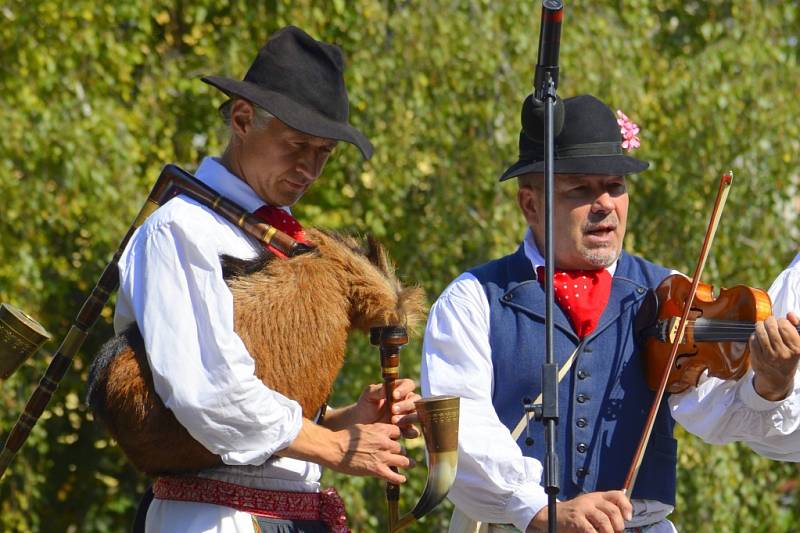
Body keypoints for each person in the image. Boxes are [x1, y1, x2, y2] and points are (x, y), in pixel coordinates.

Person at [421, 94, 800, 533]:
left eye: (615, 186)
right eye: (581, 189)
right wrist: (540, 510)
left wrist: (771, 384)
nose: (605, 203)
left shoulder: (671, 293)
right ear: (530, 204)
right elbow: (460, 430)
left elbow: (726, 418)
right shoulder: (474, 299)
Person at [114, 26, 419, 533]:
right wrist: (336, 447)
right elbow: (207, 392)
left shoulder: (280, 237)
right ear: (242, 119)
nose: (309, 168)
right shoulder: (180, 229)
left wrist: (347, 418)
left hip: (291, 513)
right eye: (297, 143)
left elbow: (267, 429)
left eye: (324, 152)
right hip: (212, 517)